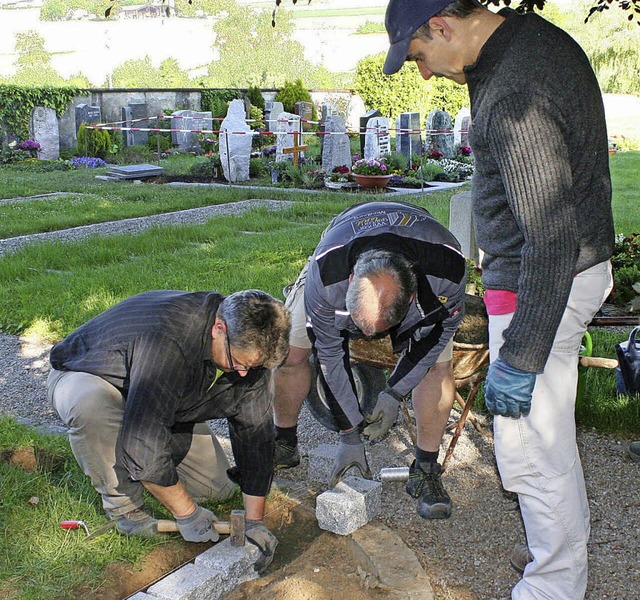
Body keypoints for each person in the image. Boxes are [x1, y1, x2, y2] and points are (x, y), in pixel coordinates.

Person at [382, 0, 615, 597]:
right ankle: (553, 548)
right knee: (544, 439)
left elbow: (553, 237)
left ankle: (553, 584)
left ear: (443, 25)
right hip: (557, 272)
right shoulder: (520, 41)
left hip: (547, 281)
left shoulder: (514, 93)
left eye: (420, 57)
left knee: (531, 447)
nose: (426, 73)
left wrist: (524, 352)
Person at [47, 289, 290, 573]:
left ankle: (162, 473)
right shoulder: (170, 340)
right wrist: (187, 514)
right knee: (90, 406)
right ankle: (125, 508)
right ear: (218, 329)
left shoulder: (249, 357)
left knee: (217, 488)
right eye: (239, 363)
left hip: (165, 397)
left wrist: (254, 520)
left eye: (252, 366)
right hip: (94, 377)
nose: (245, 373)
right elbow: (143, 443)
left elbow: (255, 437)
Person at [273, 200, 466, 520]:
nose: (368, 338)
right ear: (350, 283)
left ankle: (426, 468)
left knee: (437, 367)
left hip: (423, 257)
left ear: (409, 297)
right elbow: (331, 356)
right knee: (289, 354)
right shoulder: (327, 275)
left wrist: (393, 392)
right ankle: (284, 443)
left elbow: (433, 341)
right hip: (343, 240)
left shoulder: (447, 271)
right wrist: (349, 436)